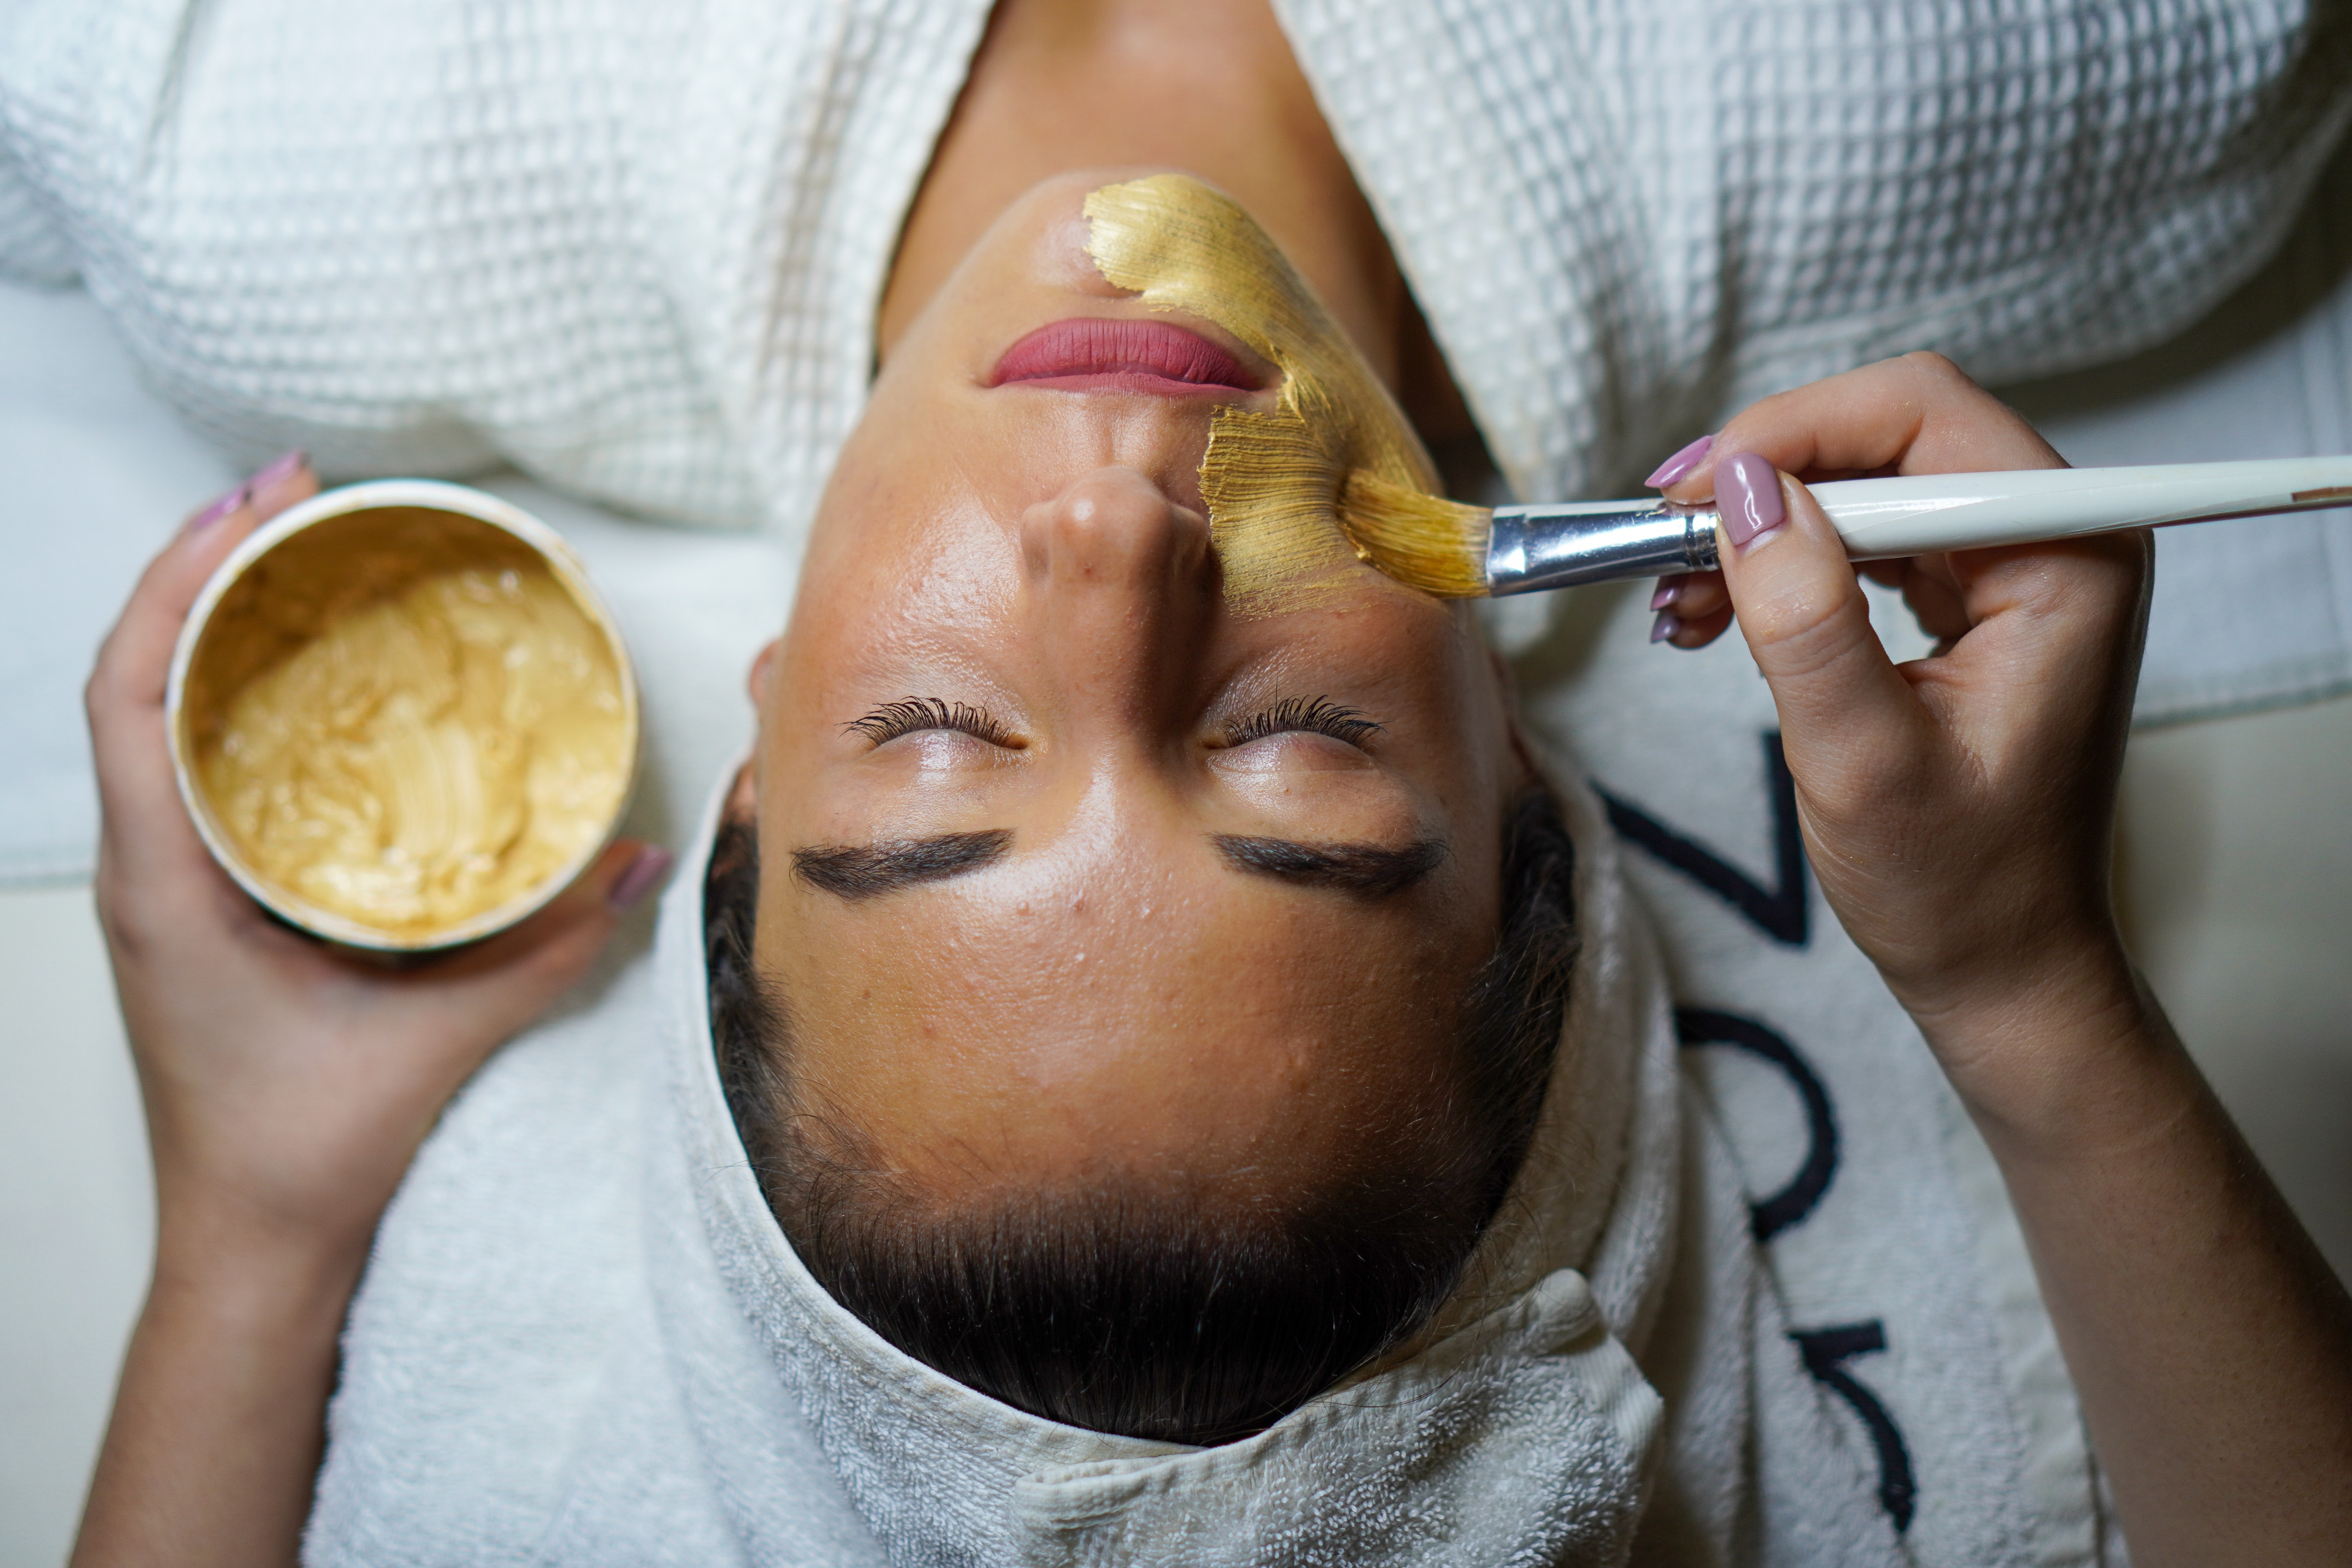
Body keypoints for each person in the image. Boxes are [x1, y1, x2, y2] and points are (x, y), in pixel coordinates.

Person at [31, 2, 2352, 1563]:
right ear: (1524, 754)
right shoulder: (2098, 73)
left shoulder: (234, 149)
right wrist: (2027, 992)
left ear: (749, 745)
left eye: (939, 739)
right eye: (1292, 744)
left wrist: (246, 1220)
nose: (1114, 552)